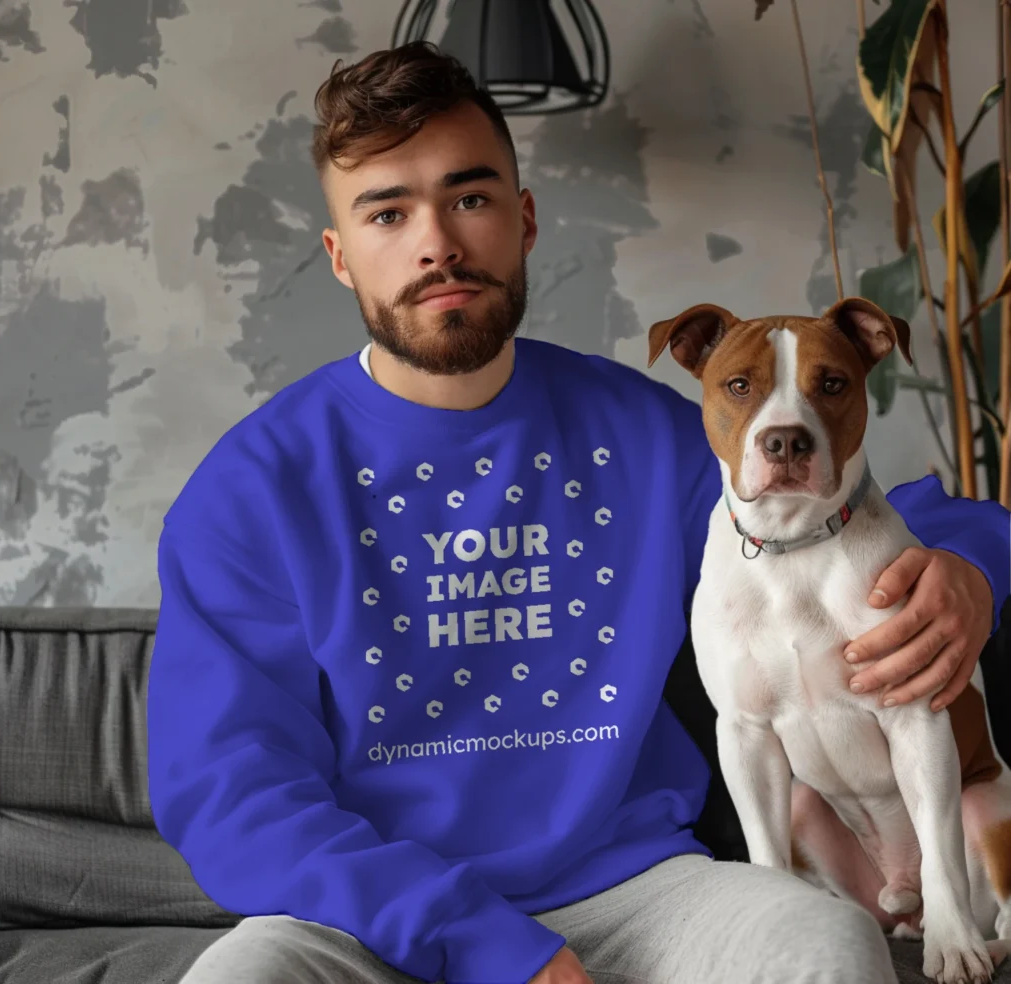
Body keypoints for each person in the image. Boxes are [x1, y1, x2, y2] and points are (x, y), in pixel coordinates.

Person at [149, 41, 1011, 984]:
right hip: (367, 917)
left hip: (640, 892)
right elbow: (234, 793)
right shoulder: (251, 488)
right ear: (340, 257)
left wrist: (967, 572)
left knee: (826, 947)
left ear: (522, 222)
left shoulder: (642, 432)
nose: (436, 241)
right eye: (387, 212)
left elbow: (853, 514)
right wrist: (482, 943)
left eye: (469, 197)